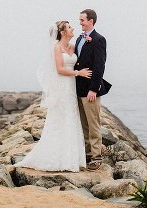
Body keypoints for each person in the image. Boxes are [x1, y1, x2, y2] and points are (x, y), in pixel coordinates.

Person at [14, 20, 92, 172]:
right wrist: (78, 73)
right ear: (63, 32)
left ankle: (71, 158)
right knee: (60, 120)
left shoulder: (72, 46)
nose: (73, 28)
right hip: (62, 87)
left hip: (71, 88)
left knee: (71, 118)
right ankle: (56, 157)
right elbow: (60, 69)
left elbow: (83, 51)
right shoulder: (56, 48)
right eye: (69, 27)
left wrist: (87, 40)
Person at [74, 9, 111, 171]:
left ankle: (96, 157)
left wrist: (94, 89)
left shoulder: (98, 39)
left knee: (94, 125)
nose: (80, 22)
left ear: (91, 21)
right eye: (80, 20)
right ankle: (88, 154)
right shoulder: (79, 39)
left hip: (90, 90)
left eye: (82, 20)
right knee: (84, 125)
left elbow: (99, 66)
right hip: (78, 89)